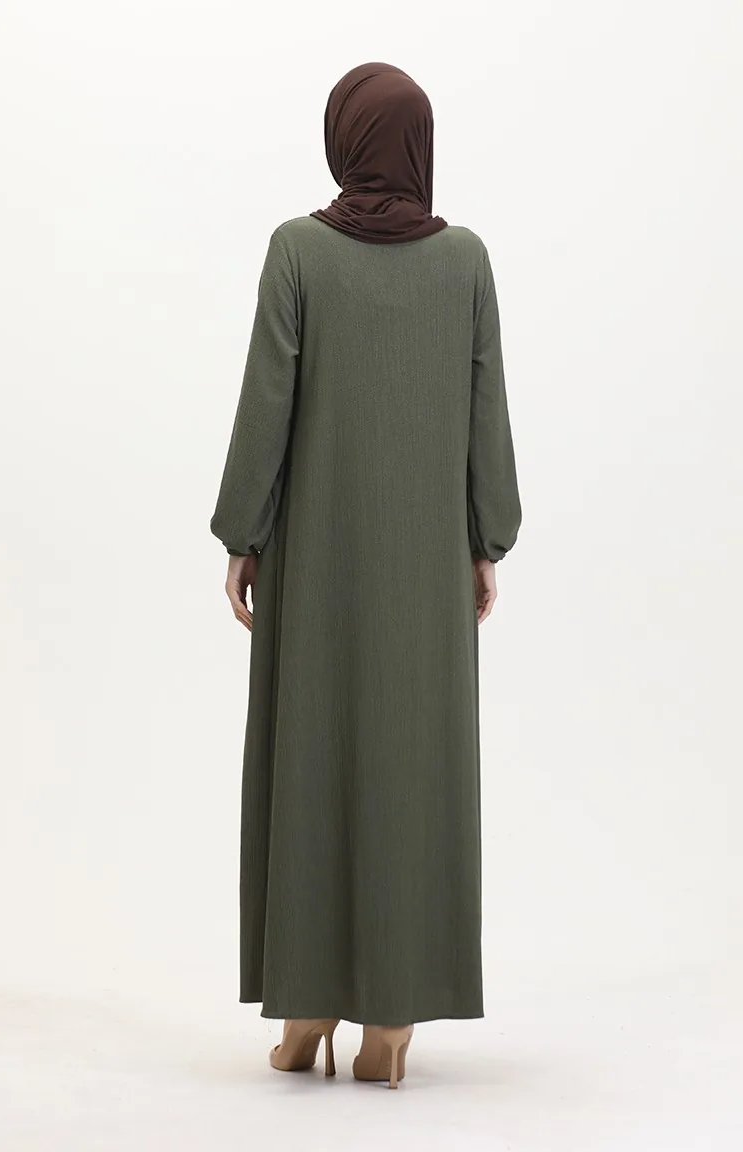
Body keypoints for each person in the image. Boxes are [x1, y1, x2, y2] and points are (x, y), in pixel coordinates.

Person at [210, 61, 521, 1089]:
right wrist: (485, 539)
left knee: (311, 757)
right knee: (411, 766)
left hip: (317, 564)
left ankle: (305, 1013)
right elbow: (485, 410)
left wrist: (242, 533)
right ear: (419, 146)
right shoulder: (465, 261)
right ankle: (390, 1025)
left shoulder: (297, 251)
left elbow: (266, 402)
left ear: (342, 141)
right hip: (424, 568)